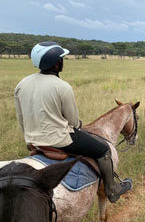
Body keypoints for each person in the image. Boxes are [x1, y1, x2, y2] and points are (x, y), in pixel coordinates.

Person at [14, 41, 132, 203]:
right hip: (61, 140)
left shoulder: (22, 84)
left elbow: (21, 118)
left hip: (33, 140)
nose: (62, 61)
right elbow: (74, 123)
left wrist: (31, 137)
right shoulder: (62, 87)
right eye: (61, 59)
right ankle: (112, 189)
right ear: (56, 64)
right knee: (103, 150)